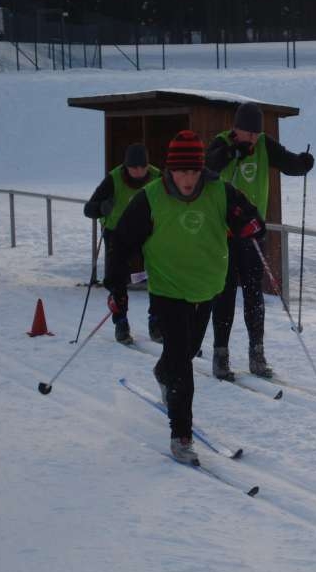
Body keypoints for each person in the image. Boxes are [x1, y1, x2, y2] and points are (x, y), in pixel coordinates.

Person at [104, 130, 264, 464]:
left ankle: (163, 372)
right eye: (181, 171)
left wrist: (250, 225)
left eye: (193, 171)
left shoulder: (219, 191)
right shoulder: (150, 198)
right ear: (169, 170)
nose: (188, 179)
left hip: (206, 286)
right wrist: (116, 288)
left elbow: (251, 217)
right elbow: (121, 244)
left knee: (187, 352)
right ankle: (181, 435)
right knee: (182, 363)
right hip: (168, 289)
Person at [206, 101, 314, 380]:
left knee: (254, 293)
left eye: (256, 133)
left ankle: (257, 353)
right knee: (225, 293)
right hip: (223, 234)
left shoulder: (265, 145)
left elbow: (288, 163)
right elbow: (207, 169)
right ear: (235, 129)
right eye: (247, 133)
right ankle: (221, 354)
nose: (252, 139)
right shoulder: (220, 144)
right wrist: (232, 151)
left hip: (252, 233)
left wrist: (302, 164)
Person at [84, 143, 161, 344]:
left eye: (142, 167)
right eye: (133, 168)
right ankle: (121, 322)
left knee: (159, 274)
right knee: (116, 279)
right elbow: (88, 209)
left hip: (147, 232)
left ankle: (156, 320)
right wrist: (102, 207)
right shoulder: (114, 178)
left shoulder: (157, 177)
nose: (138, 172)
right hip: (117, 233)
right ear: (126, 166)